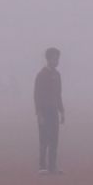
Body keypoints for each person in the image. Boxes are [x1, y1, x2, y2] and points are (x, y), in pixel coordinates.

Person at [34, 47, 64, 175]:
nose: (56, 61)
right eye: (54, 58)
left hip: (54, 111)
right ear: (48, 59)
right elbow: (37, 95)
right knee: (44, 139)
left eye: (57, 58)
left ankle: (52, 166)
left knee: (54, 139)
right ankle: (42, 166)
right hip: (44, 111)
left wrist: (62, 111)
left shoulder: (57, 75)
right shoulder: (42, 75)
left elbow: (59, 95)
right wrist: (39, 114)